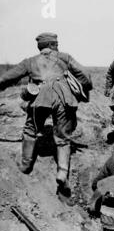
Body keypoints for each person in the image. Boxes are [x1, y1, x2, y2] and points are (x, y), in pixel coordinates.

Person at [0, 32, 92, 205]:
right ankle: (62, 173)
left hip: (40, 97)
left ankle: (26, 165)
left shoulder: (30, 61)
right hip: (63, 98)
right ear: (52, 45)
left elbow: (7, 77)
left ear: (40, 46)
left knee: (30, 129)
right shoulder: (65, 58)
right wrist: (83, 88)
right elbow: (85, 75)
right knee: (63, 138)